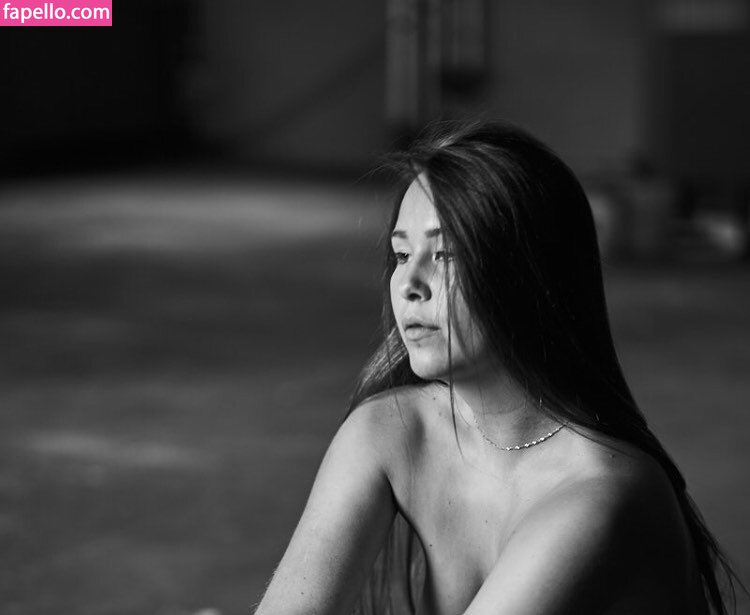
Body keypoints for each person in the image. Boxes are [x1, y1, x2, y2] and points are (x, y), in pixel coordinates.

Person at [254, 122, 742, 614]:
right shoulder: (393, 429)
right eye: (402, 254)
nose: (408, 284)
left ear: (528, 271)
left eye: (445, 253)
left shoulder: (600, 493)